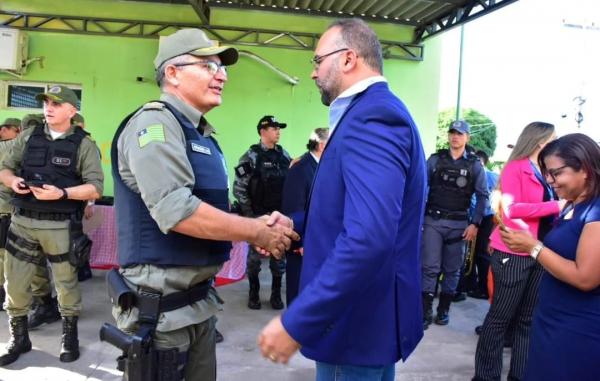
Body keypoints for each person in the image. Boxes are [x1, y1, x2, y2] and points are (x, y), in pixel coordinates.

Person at [109, 28, 297, 381]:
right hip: (162, 311)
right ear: (173, 72)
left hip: (197, 304)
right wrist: (255, 230)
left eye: (222, 67)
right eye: (208, 66)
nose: (222, 74)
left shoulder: (201, 133)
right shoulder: (155, 123)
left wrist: (255, 224)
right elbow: (176, 209)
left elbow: (209, 206)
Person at [257, 18, 427, 380]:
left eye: (318, 61)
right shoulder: (370, 114)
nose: (314, 73)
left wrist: (297, 321)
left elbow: (368, 236)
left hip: (353, 325)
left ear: (349, 59)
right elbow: (358, 212)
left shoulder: (373, 118)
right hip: (366, 324)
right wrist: (295, 223)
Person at [0, 85, 104, 365]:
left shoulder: (84, 145)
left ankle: (69, 338)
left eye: (57, 103)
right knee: (16, 284)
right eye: (46, 102)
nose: (49, 107)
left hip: (59, 227)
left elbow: (95, 188)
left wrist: (63, 194)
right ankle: (19, 338)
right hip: (22, 222)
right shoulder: (28, 137)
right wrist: (13, 182)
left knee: (66, 284)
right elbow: (4, 167)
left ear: (72, 110)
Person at [499, 133, 600, 381]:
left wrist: (533, 247)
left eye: (556, 173)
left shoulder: (596, 210)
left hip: (577, 330)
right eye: (547, 173)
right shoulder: (572, 204)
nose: (550, 180)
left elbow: (585, 277)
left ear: (585, 169)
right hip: (552, 321)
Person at [473, 122, 559, 381]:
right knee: (500, 319)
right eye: (554, 139)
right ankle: (486, 377)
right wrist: (557, 205)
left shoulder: (547, 172)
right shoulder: (516, 168)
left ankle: (520, 375)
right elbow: (512, 209)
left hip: (540, 251)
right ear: (540, 141)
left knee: (528, 320)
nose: (558, 143)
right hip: (514, 252)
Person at [421, 120, 488, 329]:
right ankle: (425, 311)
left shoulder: (475, 165)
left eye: (460, 133)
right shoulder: (435, 160)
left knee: (452, 270)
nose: (455, 136)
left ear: (467, 137)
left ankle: (444, 310)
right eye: (452, 132)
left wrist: (475, 224)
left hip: (459, 224)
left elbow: (483, 196)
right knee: (429, 268)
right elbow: (420, 185)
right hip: (433, 220)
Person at [233, 115, 291, 310]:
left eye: (279, 128)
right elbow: (239, 189)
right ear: (263, 131)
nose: (278, 131)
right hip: (257, 217)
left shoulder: (285, 156)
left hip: (278, 218)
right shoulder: (251, 156)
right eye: (274, 128)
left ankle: (276, 294)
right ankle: (254, 293)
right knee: (254, 260)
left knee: (279, 258)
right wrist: (251, 217)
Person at [281, 127, 330, 306]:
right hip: (303, 244)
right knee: (299, 291)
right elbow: (293, 207)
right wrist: (300, 241)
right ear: (322, 145)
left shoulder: (320, 167)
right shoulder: (301, 168)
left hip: (317, 242)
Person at [466, 150, 499, 300]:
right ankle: (472, 284)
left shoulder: (492, 176)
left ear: (481, 162)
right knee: (471, 253)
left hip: (486, 218)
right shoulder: (474, 174)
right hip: (477, 217)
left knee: (481, 253)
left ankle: (484, 288)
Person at [0, 118, 22, 310]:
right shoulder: (11, 146)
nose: (19, 133)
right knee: (5, 255)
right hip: (5, 209)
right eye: (17, 130)